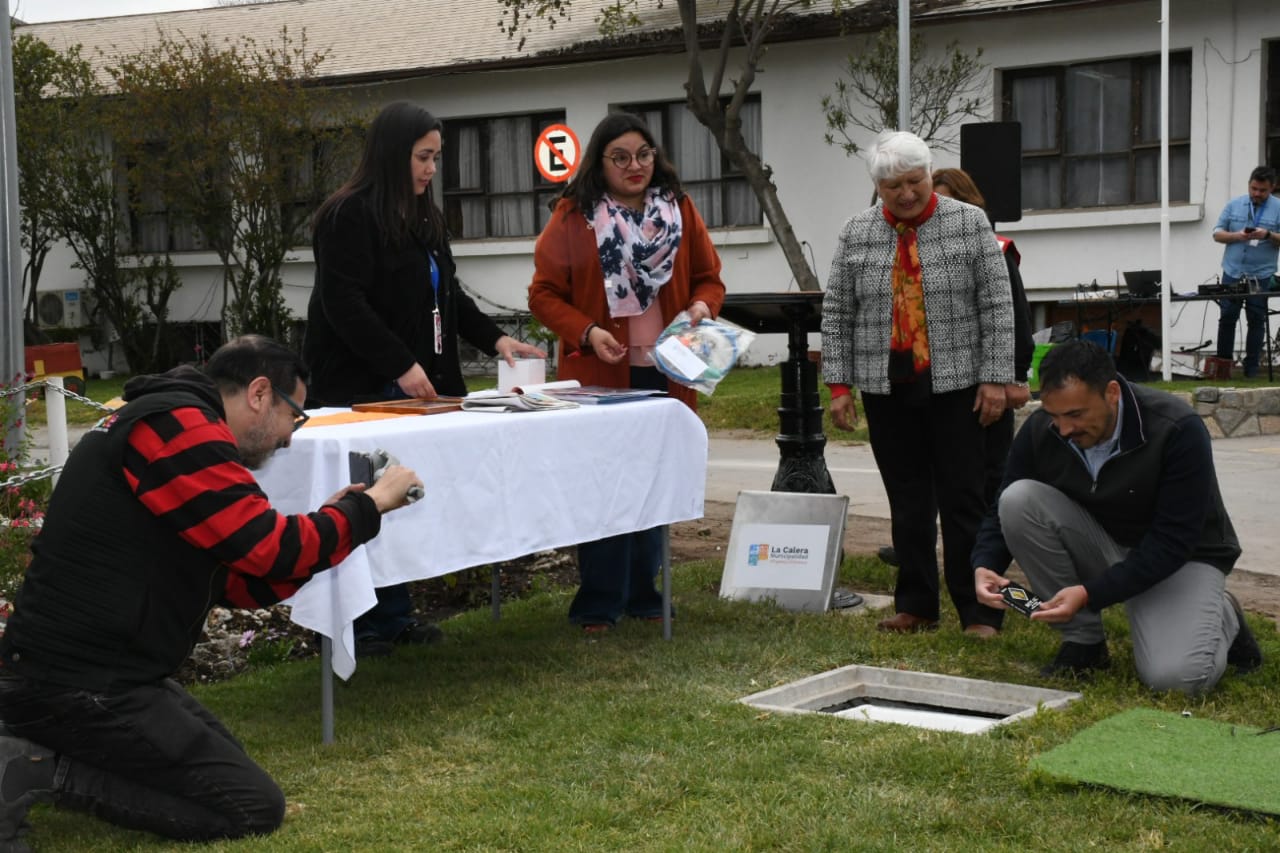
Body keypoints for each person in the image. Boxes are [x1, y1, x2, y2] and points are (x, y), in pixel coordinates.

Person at [0, 335, 424, 846]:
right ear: (260, 394)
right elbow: (270, 549)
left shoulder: (172, 421)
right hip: (78, 681)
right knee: (250, 807)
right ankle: (33, 772)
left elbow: (243, 581)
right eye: (296, 414)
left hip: (104, 673)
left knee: (231, 774)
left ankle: (41, 748)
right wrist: (368, 507)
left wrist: (334, 524)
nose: (290, 436)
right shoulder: (176, 428)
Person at [303, 101, 544, 656]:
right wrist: (399, 364)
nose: (432, 169)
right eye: (423, 157)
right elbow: (345, 304)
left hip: (421, 384)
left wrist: (497, 340)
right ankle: (360, 626)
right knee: (363, 500)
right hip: (362, 390)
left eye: (436, 158)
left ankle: (395, 617)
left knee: (403, 502)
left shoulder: (425, 218)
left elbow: (449, 296)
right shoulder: (347, 215)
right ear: (392, 155)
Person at [528, 112, 725, 633]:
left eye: (643, 154)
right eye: (621, 157)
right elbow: (543, 294)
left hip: (669, 371)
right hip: (601, 375)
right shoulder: (575, 216)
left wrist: (703, 308)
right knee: (604, 488)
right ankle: (596, 602)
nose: (634, 166)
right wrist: (588, 331)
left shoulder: (678, 208)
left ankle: (643, 592)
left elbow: (709, 278)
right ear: (601, 161)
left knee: (654, 485)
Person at [972, 339, 1261, 691]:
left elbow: (1174, 541)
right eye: (1054, 415)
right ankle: (1083, 644)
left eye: (1076, 415)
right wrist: (985, 562)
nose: (1063, 430)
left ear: (1111, 393)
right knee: (1018, 499)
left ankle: (1224, 615)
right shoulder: (1041, 430)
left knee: (1176, 679)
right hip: (1104, 545)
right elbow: (1002, 501)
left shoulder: (1177, 428)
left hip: (1182, 559)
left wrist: (1091, 593)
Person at [821, 130, 1014, 637]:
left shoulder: (970, 224)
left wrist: (997, 378)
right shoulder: (855, 232)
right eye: (892, 187)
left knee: (964, 501)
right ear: (876, 188)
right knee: (906, 503)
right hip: (887, 387)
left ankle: (980, 610)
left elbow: (998, 307)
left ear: (930, 174)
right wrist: (840, 387)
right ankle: (916, 605)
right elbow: (838, 311)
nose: (905, 194)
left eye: (914, 181)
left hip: (958, 386)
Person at [877, 168, 1036, 579]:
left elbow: (1012, 316)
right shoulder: (898, 249)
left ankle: (987, 580)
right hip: (922, 389)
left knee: (981, 491)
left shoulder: (994, 248)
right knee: (920, 490)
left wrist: (1012, 376)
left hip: (983, 388)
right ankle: (922, 569)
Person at [1212, 165, 1280, 378]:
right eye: (1253, 188)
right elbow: (1217, 234)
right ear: (1249, 185)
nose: (1257, 194)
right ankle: (1223, 368)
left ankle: (1251, 370)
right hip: (1233, 271)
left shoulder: (1278, 207)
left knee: (1257, 319)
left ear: (1272, 188)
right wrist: (1237, 236)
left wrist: (1268, 234)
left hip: (1261, 273)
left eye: (1262, 190)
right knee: (1227, 317)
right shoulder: (1234, 204)